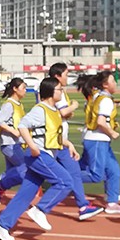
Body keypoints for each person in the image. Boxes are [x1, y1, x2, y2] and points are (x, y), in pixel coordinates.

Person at [0, 78, 80, 240]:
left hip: (46, 153)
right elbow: (23, 125)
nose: (62, 92)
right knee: (65, 182)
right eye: (59, 89)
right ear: (50, 92)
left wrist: (69, 145)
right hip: (39, 155)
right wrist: (32, 146)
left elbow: (53, 136)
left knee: (25, 194)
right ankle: (40, 210)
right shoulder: (40, 110)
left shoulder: (53, 111)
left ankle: (2, 225)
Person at [51, 64, 106, 218]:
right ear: (57, 75)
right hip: (55, 139)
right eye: (65, 74)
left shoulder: (55, 89)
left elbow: (59, 113)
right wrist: (73, 106)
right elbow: (62, 112)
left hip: (59, 140)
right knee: (32, 175)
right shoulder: (56, 90)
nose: (67, 77)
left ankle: (82, 206)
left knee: (72, 171)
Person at [78, 71, 120, 212]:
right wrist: (112, 132)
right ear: (105, 84)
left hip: (97, 139)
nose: (115, 84)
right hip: (97, 140)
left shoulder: (97, 96)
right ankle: (63, 176)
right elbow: (101, 122)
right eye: (113, 81)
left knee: (114, 170)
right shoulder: (105, 100)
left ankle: (112, 202)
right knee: (95, 175)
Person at [0, 78, 28, 204]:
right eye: (23, 88)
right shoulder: (9, 104)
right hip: (9, 143)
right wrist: (13, 131)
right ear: (15, 89)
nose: (25, 90)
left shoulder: (19, 105)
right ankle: (0, 182)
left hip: (16, 143)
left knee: (11, 171)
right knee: (25, 168)